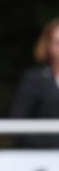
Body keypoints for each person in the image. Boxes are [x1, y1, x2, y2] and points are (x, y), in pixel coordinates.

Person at [9, 17, 59, 148]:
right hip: (44, 158)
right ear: (48, 46)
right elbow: (18, 122)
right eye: (58, 42)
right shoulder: (35, 80)